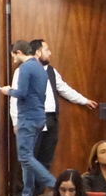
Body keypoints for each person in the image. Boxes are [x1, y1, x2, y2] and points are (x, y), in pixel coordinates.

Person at [35, 38, 98, 169]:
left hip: (51, 119)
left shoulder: (51, 71)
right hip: (34, 119)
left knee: (46, 157)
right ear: (38, 52)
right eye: (47, 50)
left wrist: (84, 100)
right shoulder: (24, 71)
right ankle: (23, 189)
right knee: (31, 157)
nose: (50, 53)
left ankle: (39, 189)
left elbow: (64, 89)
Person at [5, 42, 53, 196]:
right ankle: (27, 195)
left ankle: (54, 183)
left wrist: (8, 91)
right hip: (39, 116)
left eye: (14, 56)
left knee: (25, 157)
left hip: (27, 117)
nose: (14, 60)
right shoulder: (40, 68)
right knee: (28, 157)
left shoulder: (25, 68)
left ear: (18, 52)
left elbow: (22, 93)